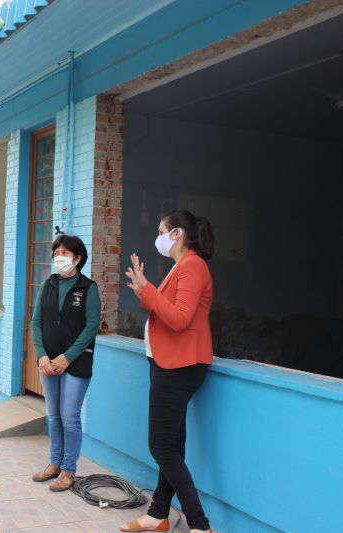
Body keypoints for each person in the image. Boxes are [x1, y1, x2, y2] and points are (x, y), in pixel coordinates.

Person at [120, 210, 216, 533]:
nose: (158, 237)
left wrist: (149, 290)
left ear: (177, 234)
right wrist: (144, 292)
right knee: (172, 444)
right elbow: (166, 308)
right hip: (167, 362)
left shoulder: (192, 266)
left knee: (160, 446)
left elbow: (180, 318)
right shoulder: (181, 266)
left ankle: (200, 524)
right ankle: (158, 514)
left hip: (178, 365)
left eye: (162, 231)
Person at [30, 234, 101, 492]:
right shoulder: (48, 284)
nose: (58, 258)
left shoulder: (88, 288)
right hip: (48, 363)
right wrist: (41, 355)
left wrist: (67, 357)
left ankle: (69, 470)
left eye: (64, 253)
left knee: (69, 416)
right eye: (56, 253)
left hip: (76, 363)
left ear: (77, 258)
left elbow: (91, 326)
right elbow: (36, 322)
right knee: (54, 416)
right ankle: (55, 464)